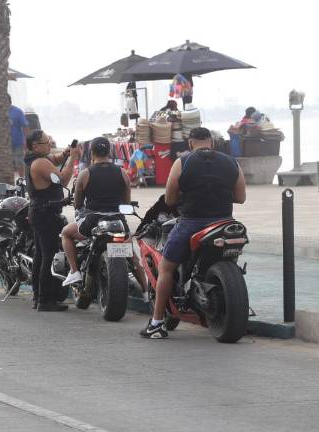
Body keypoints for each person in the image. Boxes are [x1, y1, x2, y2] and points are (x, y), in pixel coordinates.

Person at [140, 127, 246, 339]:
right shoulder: (232, 162)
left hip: (192, 223)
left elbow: (169, 200)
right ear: (212, 143)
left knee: (166, 268)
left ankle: (156, 323)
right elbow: (241, 197)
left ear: (190, 144)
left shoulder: (182, 162)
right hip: (224, 223)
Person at [61, 137, 132, 286]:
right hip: (118, 221)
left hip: (93, 220)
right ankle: (145, 290)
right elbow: (126, 202)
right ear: (110, 151)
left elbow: (78, 203)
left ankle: (74, 272)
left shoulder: (85, 173)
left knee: (66, 233)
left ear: (91, 152)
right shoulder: (122, 173)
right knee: (131, 255)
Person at [24, 130, 79, 311]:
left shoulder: (37, 159)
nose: (49, 144)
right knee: (47, 256)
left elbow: (53, 160)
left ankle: (38, 297)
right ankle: (45, 301)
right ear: (35, 146)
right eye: (45, 142)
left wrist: (65, 154)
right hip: (45, 214)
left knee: (40, 255)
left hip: (40, 212)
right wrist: (73, 159)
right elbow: (62, 179)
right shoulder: (39, 162)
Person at [8, 94, 29, 177]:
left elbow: (25, 126)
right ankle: (8, 182)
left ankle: (22, 179)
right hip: (3, 145)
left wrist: (26, 140)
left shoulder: (17, 111)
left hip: (17, 143)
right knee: (6, 164)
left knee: (19, 162)